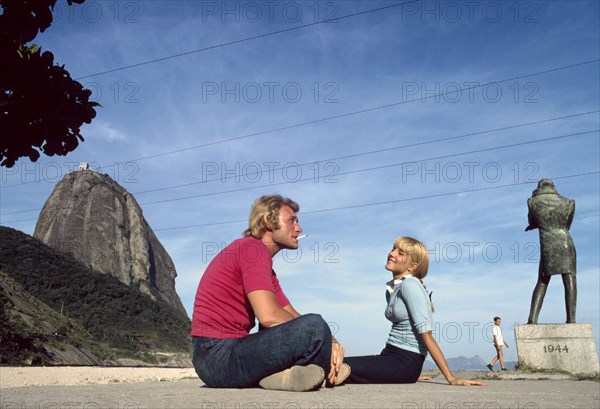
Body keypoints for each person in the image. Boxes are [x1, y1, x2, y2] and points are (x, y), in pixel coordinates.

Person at [191, 195, 347, 392]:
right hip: (215, 355)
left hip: (226, 353)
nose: (298, 229)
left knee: (315, 327)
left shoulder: (264, 265)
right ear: (268, 222)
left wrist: (331, 340)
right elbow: (268, 316)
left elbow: (290, 314)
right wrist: (324, 337)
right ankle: (325, 367)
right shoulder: (252, 249)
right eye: (292, 221)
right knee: (316, 325)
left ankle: (279, 376)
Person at [342, 236, 486, 386]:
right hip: (389, 357)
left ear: (412, 266)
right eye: (393, 249)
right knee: (337, 363)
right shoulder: (392, 289)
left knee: (341, 368)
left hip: (404, 363)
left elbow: (427, 336)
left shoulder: (410, 285)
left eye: (401, 253)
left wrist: (451, 378)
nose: (392, 254)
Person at [525, 178, 577, 324]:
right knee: (569, 279)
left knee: (542, 280)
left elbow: (532, 221)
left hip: (547, 245)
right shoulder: (569, 202)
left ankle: (532, 319)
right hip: (566, 243)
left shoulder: (532, 202)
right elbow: (567, 224)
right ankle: (571, 319)